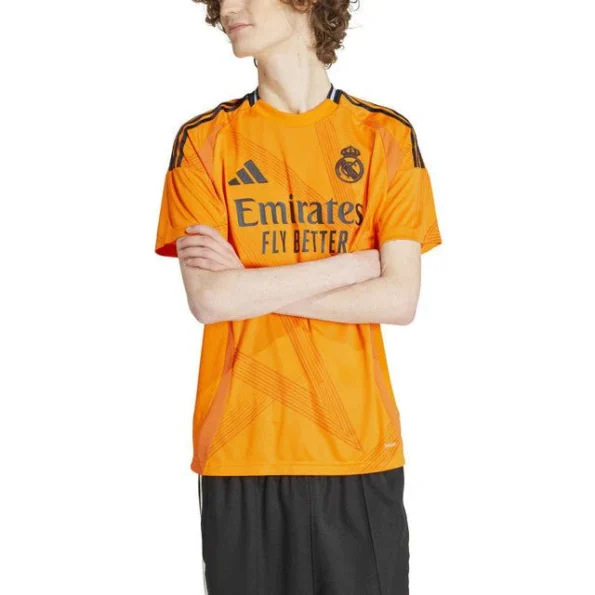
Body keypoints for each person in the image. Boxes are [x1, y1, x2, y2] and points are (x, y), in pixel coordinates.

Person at [154, 0, 442, 593]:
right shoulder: (204, 141)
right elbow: (210, 300)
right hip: (241, 453)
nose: (227, 9)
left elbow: (399, 299)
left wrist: (250, 284)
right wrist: (352, 266)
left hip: (358, 453)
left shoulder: (385, 136)